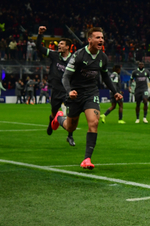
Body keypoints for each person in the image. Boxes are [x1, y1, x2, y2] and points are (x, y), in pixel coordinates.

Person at [51, 27, 122, 169]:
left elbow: (105, 76)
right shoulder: (78, 56)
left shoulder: (102, 57)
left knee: (94, 123)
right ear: (89, 39)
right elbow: (66, 77)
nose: (101, 40)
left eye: (102, 37)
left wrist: (115, 91)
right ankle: (59, 117)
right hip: (75, 95)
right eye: (97, 37)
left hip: (91, 94)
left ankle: (87, 159)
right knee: (71, 126)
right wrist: (70, 91)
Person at [36, 27, 76, 146]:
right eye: (59, 44)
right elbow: (40, 48)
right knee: (54, 112)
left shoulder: (74, 59)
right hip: (56, 90)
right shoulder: (54, 55)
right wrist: (40, 35)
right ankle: (51, 122)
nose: (59, 46)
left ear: (68, 47)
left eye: (62, 44)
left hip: (68, 90)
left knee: (71, 113)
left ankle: (70, 136)